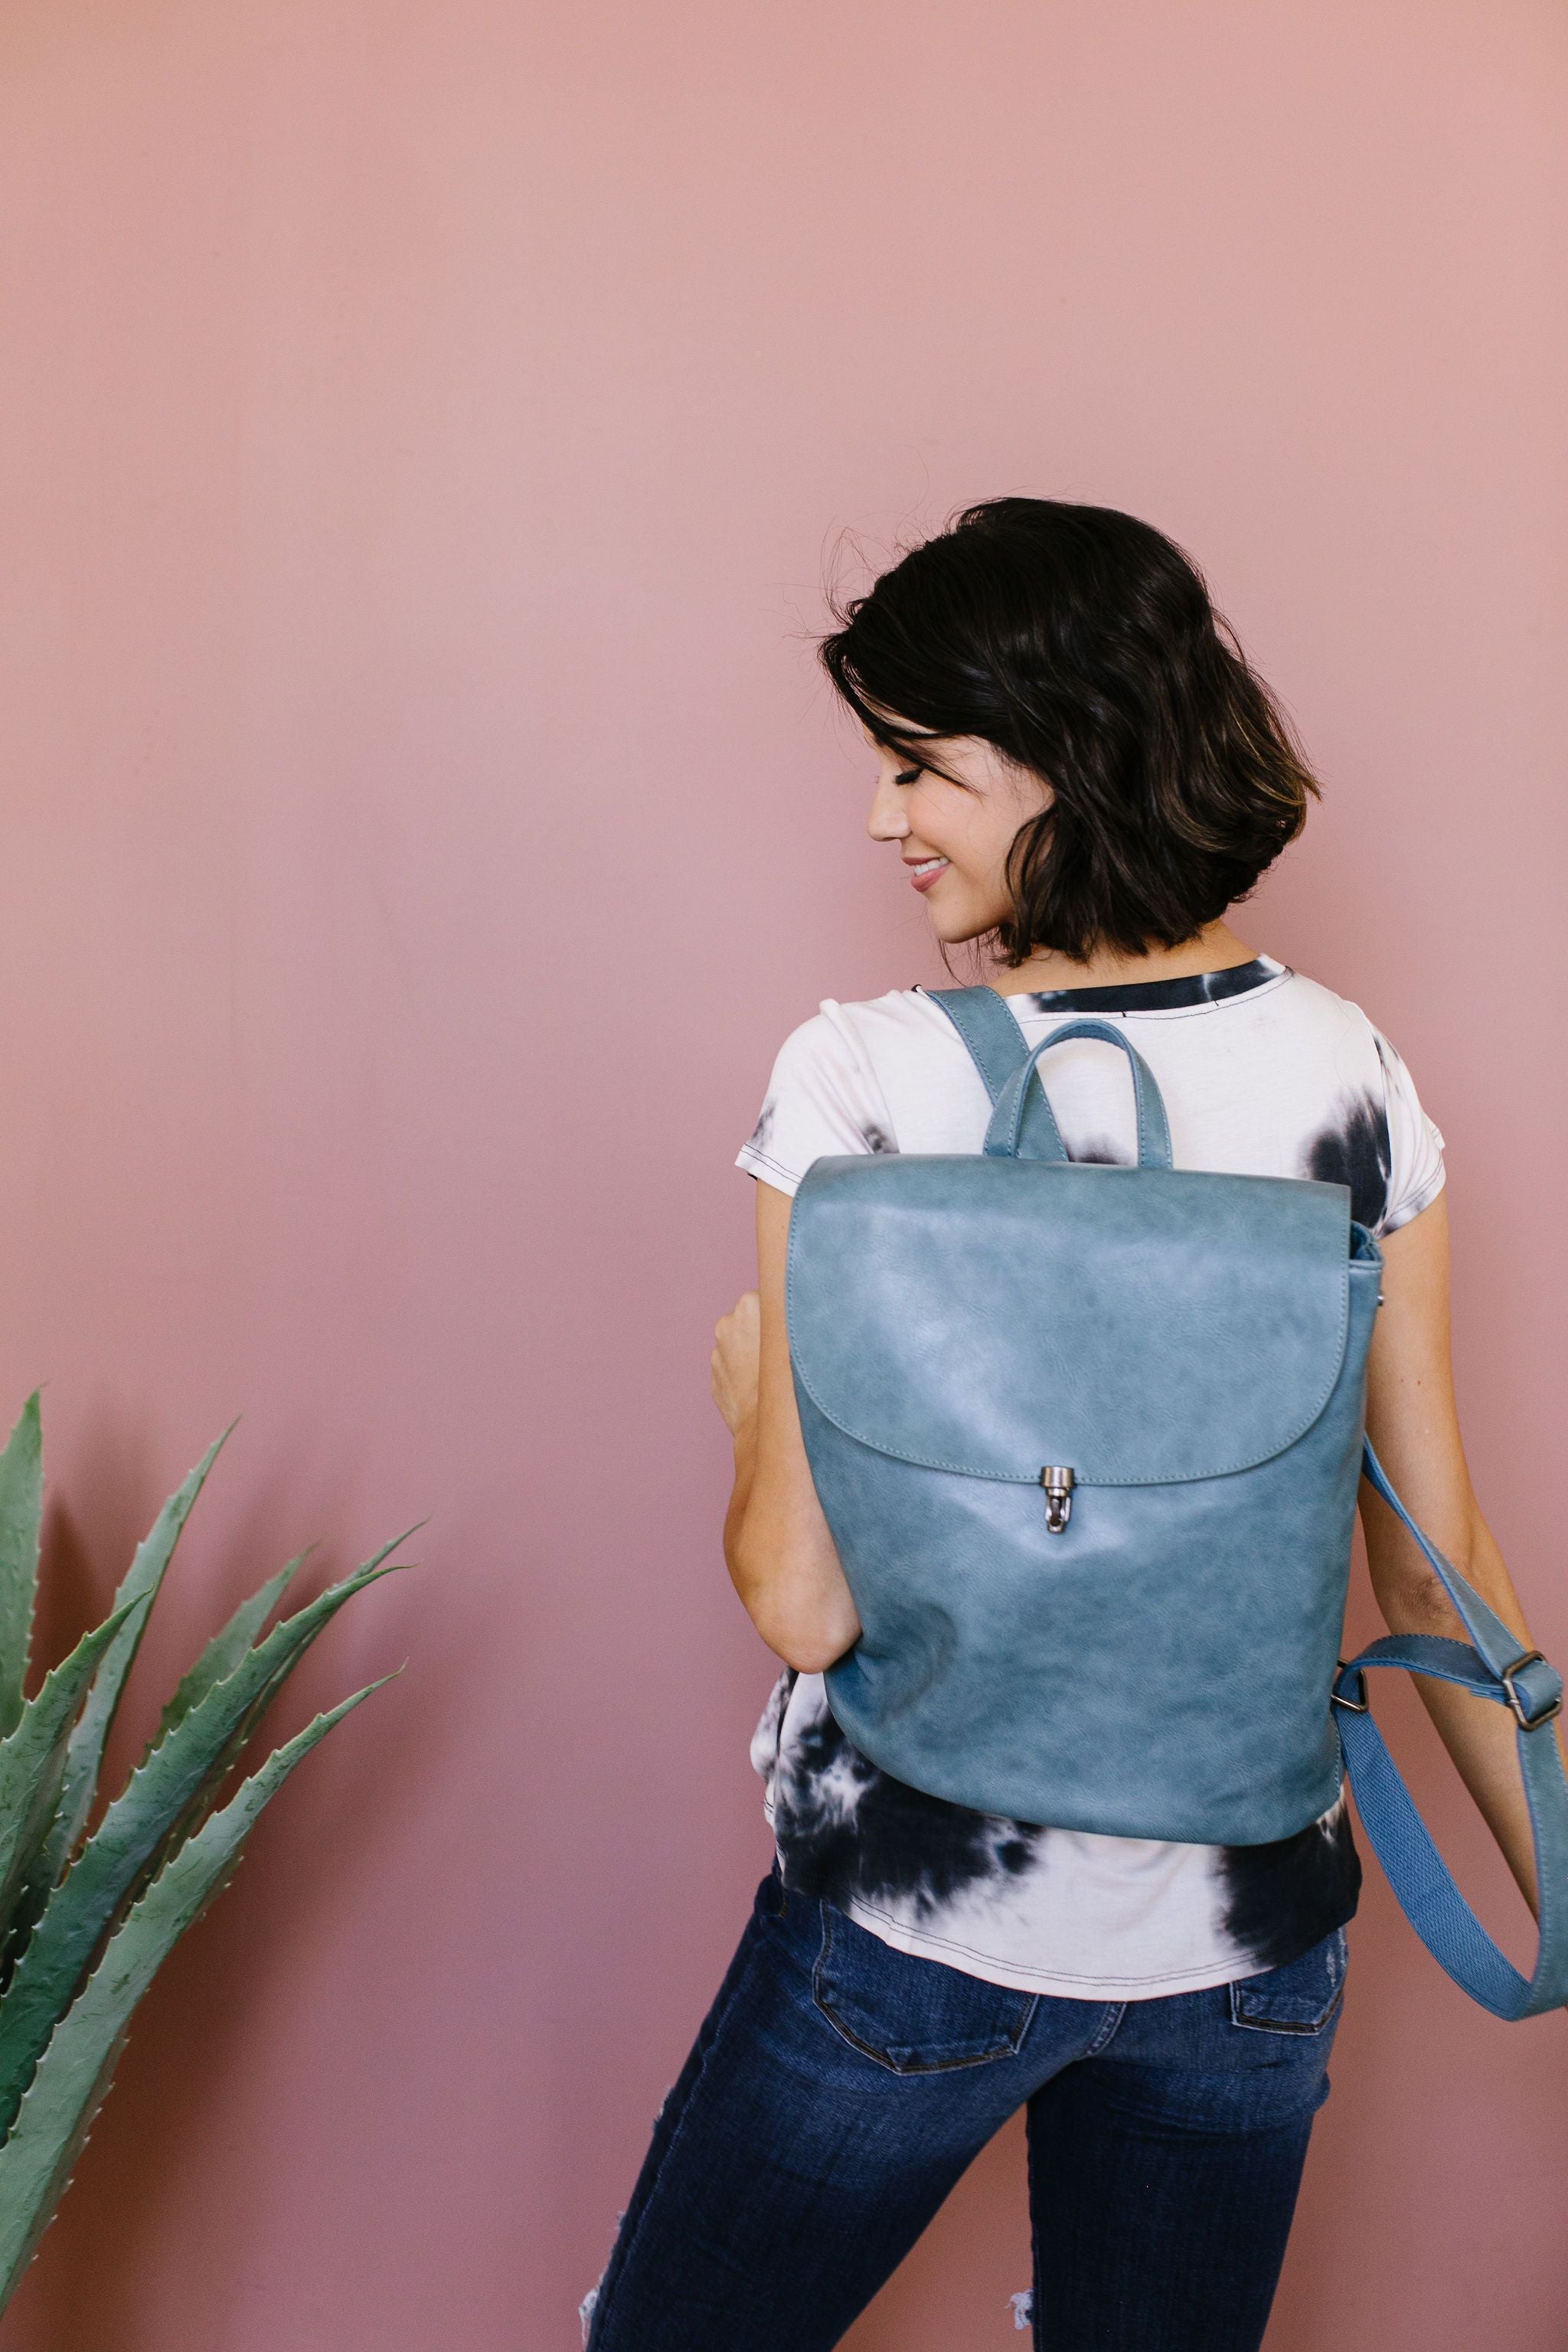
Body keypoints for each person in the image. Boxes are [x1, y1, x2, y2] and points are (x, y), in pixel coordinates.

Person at [580, 499, 1547, 2352]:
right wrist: (1555, 1893)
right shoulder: (1348, 1072)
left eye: (918, 766)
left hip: (915, 1940)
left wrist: (738, 1410)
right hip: (1248, 1956)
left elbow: (802, 1609)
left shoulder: (863, 1080)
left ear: (1065, 755)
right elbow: (1449, 1567)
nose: (883, 820)